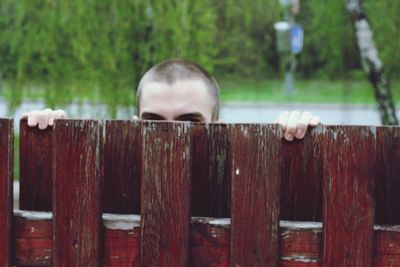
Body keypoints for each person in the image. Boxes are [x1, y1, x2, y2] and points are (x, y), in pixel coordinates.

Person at [22, 59, 320, 141]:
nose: (172, 136)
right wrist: (50, 145)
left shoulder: (245, 182)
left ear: (219, 125)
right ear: (134, 123)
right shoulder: (105, 179)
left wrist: (298, 145)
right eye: (154, 123)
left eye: (190, 123)